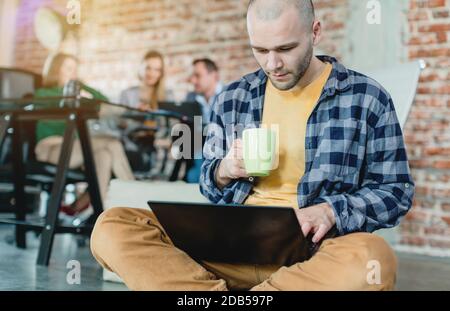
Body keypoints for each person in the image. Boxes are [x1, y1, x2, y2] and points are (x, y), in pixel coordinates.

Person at [90, 0, 415, 291]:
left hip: (311, 254)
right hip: (231, 245)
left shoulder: (365, 97)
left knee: (374, 259)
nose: (272, 64)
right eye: (260, 50)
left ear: (315, 32)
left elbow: (395, 191)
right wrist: (224, 170)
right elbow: (209, 184)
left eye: (286, 48)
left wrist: (332, 211)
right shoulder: (233, 97)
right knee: (112, 225)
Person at [34, 53, 135, 212]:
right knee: (112, 143)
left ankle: (100, 215)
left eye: (75, 70)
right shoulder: (43, 94)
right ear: (56, 70)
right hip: (50, 149)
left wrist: (81, 86)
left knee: (104, 156)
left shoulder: (77, 91)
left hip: (72, 149)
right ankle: (136, 199)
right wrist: (77, 94)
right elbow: (64, 102)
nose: (73, 73)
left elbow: (102, 99)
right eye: (69, 69)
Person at [119, 51, 174, 177]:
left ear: (161, 73)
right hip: (133, 145)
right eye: (148, 68)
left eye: (157, 70)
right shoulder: (128, 94)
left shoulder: (167, 95)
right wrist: (136, 115)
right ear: (140, 68)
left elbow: (172, 126)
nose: (152, 73)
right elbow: (120, 126)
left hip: (160, 144)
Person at [185, 58, 223, 183]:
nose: (193, 80)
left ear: (214, 75)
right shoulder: (191, 97)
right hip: (199, 147)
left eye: (198, 76)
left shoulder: (229, 94)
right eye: (192, 76)